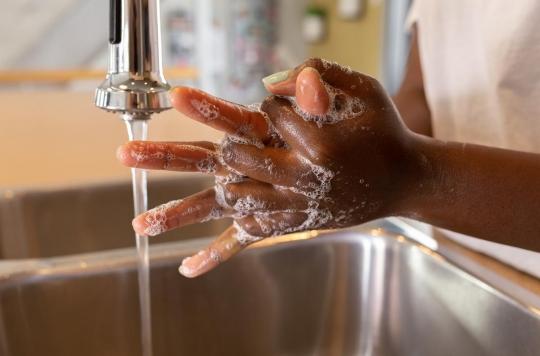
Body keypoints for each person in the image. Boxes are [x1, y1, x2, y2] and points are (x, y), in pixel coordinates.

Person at [116, 2, 540, 278]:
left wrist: (409, 176)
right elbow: (425, 94)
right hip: (459, 259)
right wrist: (325, 148)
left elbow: (410, 166)